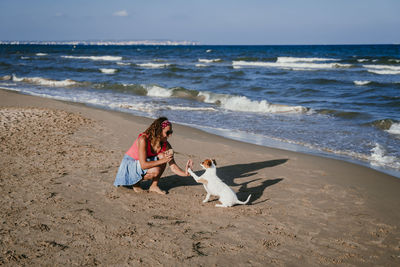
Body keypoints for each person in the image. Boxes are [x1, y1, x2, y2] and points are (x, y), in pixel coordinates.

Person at [113, 117, 192, 194]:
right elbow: (143, 165)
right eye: (167, 132)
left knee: (163, 155)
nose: (170, 135)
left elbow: (173, 167)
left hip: (142, 164)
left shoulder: (166, 145)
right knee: (157, 169)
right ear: (158, 131)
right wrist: (163, 160)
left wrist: (186, 173)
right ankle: (135, 183)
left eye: (171, 132)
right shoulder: (143, 139)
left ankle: (154, 186)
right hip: (129, 166)